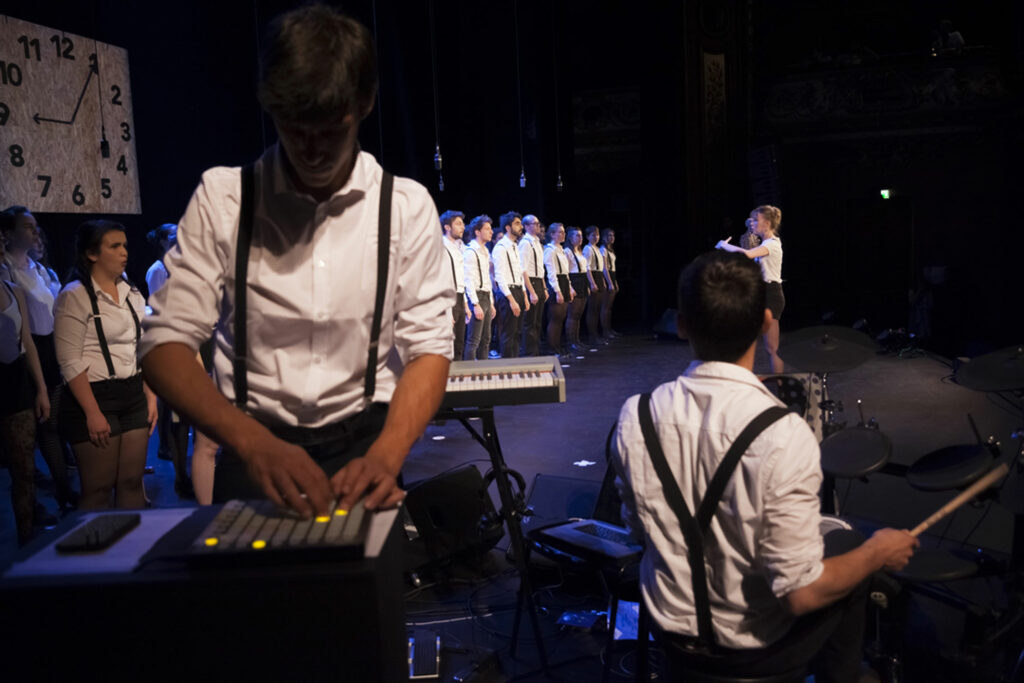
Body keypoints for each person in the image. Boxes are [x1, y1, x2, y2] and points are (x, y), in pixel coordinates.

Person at [140, 4, 454, 518]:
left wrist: (388, 454)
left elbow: (429, 348)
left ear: (367, 103)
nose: (311, 149)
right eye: (294, 127)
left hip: (367, 447)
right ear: (270, 106)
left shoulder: (404, 206)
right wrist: (250, 443)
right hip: (251, 450)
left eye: (331, 129)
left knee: (363, 598)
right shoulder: (225, 198)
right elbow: (164, 344)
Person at [611, 251, 918, 682]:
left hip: (671, 639)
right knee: (855, 559)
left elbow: (640, 530)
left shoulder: (634, 415)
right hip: (755, 652)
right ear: (765, 322)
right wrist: (878, 551)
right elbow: (801, 594)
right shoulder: (785, 433)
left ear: (680, 325)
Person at [55, 220, 157, 510]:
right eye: (114, 246)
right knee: (98, 489)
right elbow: (69, 359)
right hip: (94, 397)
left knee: (131, 483)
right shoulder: (74, 295)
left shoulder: (133, 294)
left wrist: (150, 396)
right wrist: (92, 412)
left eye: (124, 245)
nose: (124, 251)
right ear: (92, 254)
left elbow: (141, 349)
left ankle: (130, 553)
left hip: (133, 393)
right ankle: (91, 553)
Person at [1, 206, 76, 513]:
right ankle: (43, 499)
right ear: (9, 233)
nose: (35, 232)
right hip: (23, 355)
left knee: (52, 426)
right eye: (27, 226)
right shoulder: (5, 272)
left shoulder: (40, 269)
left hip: (50, 351)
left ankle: (61, 491)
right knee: (35, 430)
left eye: (35, 227)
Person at [0, 235, 50, 544]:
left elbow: (28, 342)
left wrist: (42, 389)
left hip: (15, 384)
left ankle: (26, 540)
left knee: (24, 470)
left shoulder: (14, 291)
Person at [145, 223, 194, 498]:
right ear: (163, 241)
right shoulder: (157, 270)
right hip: (172, 341)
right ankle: (180, 474)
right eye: (173, 236)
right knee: (177, 413)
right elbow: (159, 308)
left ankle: (199, 464)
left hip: (194, 338)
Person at [717, 204, 785, 374]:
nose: (753, 223)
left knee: (772, 348)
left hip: (771, 295)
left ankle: (781, 386)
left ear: (768, 223)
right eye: (752, 220)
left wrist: (724, 245)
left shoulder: (772, 244)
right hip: (760, 293)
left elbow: (747, 255)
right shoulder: (765, 244)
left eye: (757, 220)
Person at [491, 211, 529, 359]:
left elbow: (519, 271)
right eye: (517, 224)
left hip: (518, 290)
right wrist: (512, 300)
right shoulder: (501, 247)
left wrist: (524, 295)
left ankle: (515, 363)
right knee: (508, 332)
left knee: (518, 332)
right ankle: (507, 366)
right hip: (508, 293)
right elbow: (499, 277)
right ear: (508, 228)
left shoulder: (514, 246)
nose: (521, 227)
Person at [463, 215, 496, 361]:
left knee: (486, 339)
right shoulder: (471, 251)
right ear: (477, 232)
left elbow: (487, 279)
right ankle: (469, 375)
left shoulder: (485, 251)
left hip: (486, 297)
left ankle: (484, 371)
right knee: (473, 340)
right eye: (487, 229)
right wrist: (475, 304)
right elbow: (468, 279)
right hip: (476, 297)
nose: (491, 232)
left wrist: (491, 303)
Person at [440, 210, 469, 361]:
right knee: (449, 344)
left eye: (462, 223)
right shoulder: (441, 247)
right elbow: (442, 279)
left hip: (459, 297)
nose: (462, 227)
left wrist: (466, 304)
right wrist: (446, 309)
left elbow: (460, 279)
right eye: (458, 223)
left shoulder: (458, 248)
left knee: (459, 343)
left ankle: (459, 379)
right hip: (448, 299)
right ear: (447, 227)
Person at [543, 223, 573, 359]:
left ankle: (558, 346)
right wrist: (557, 291)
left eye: (563, 232)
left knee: (561, 318)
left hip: (564, 282)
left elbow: (566, 272)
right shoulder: (549, 250)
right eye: (559, 232)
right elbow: (551, 273)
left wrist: (570, 288)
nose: (563, 234)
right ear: (552, 234)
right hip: (555, 284)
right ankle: (552, 348)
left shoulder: (561, 249)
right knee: (555, 318)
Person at [518, 214, 546, 356]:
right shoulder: (525, 243)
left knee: (537, 321)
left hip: (539, 282)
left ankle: (535, 350)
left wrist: (544, 288)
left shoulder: (536, 242)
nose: (538, 226)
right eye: (534, 223)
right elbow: (523, 269)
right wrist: (532, 291)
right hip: (531, 283)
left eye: (538, 223)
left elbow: (539, 268)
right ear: (526, 226)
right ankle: (529, 353)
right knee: (529, 322)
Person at [564, 226, 592, 353]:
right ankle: (570, 342)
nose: (580, 238)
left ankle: (577, 340)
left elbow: (585, 270)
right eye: (577, 235)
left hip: (582, 281)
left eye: (580, 235)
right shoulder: (567, 252)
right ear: (570, 238)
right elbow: (566, 272)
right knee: (572, 315)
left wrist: (587, 285)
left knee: (578, 315)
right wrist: (570, 288)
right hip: (574, 281)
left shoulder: (579, 252)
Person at [583, 225, 610, 344]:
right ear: (588, 236)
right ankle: (592, 335)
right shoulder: (587, 249)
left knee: (597, 308)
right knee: (592, 309)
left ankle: (596, 334)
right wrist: (592, 283)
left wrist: (603, 280)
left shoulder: (597, 249)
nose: (596, 237)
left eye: (597, 235)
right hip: (592, 277)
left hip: (599, 276)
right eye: (593, 235)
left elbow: (601, 267)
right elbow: (587, 267)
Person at [599, 227, 619, 338]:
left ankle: (609, 329)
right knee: (605, 307)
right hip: (607, 277)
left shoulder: (611, 249)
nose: (611, 238)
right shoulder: (603, 249)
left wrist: (615, 281)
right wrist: (610, 282)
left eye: (613, 235)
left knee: (609, 307)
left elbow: (613, 268)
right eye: (609, 236)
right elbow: (605, 268)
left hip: (612, 275)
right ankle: (605, 331)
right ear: (604, 237)